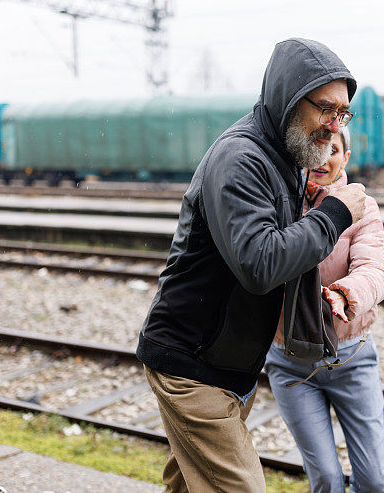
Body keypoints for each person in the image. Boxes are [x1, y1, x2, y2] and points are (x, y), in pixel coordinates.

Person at [136, 38, 368, 492]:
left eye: (342, 114)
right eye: (325, 108)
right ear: (287, 99)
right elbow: (258, 263)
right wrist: (335, 214)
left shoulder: (289, 158)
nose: (333, 125)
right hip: (192, 363)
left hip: (225, 365)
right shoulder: (241, 159)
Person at [265, 128, 384, 492]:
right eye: (315, 147)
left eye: (332, 149)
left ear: (345, 158)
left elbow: (376, 270)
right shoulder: (280, 201)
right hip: (289, 363)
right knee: (326, 479)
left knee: (373, 481)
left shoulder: (362, 207)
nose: (322, 158)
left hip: (351, 358)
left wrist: (343, 294)